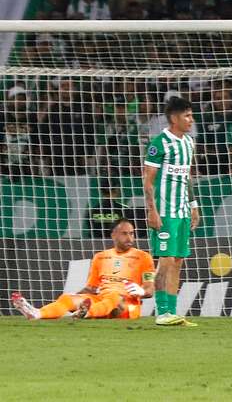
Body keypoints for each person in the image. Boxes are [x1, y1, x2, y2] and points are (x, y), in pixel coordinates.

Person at [11, 219, 154, 320]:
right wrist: (76, 296)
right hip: (101, 299)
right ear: (113, 235)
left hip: (128, 306)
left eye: (132, 233)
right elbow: (92, 287)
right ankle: (37, 314)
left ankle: (87, 313)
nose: (129, 237)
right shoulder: (101, 257)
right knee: (67, 298)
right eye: (124, 233)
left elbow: (149, 290)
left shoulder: (143, 257)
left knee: (114, 297)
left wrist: (142, 291)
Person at [143, 96, 200, 326]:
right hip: (164, 212)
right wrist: (152, 211)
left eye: (191, 115)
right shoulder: (159, 143)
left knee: (177, 261)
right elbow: (148, 181)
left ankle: (173, 313)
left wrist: (194, 206)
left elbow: (187, 177)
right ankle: (162, 312)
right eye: (187, 115)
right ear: (174, 118)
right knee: (165, 261)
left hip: (183, 212)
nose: (191, 119)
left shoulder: (188, 142)